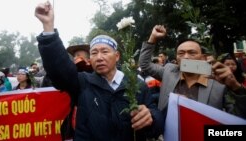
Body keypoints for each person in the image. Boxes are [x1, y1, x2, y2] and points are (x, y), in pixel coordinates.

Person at [35, 2, 163, 141]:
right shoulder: (82, 82)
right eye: (94, 53)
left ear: (117, 56)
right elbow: (60, 70)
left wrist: (151, 118)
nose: (99, 57)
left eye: (105, 51)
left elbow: (157, 124)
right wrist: (48, 28)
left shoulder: (137, 85)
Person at [139, 25, 246, 120]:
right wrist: (153, 37)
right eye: (181, 53)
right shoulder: (169, 71)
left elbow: (238, 118)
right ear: (176, 59)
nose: (186, 57)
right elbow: (144, 64)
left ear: (203, 58)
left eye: (192, 53)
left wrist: (236, 88)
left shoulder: (219, 81)